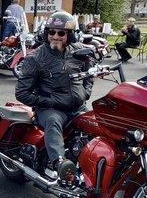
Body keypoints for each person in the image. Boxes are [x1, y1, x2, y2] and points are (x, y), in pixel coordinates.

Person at [15, 11, 94, 180]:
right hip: (51, 109)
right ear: (46, 33)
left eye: (61, 33)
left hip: (77, 107)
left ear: (70, 35)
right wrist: (47, 101)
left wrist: (85, 93)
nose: (55, 36)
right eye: (51, 32)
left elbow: (90, 73)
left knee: (96, 126)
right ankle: (60, 163)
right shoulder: (35, 58)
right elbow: (21, 93)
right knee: (53, 122)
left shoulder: (79, 52)